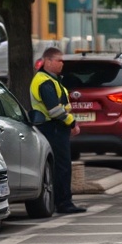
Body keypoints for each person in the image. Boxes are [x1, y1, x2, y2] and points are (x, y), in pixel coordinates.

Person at [29, 47, 86, 215]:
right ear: (48, 61)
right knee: (62, 167)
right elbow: (54, 110)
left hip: (53, 128)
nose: (62, 64)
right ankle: (64, 203)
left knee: (58, 167)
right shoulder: (44, 81)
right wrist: (72, 123)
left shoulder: (50, 79)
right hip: (52, 127)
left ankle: (58, 201)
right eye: (59, 60)